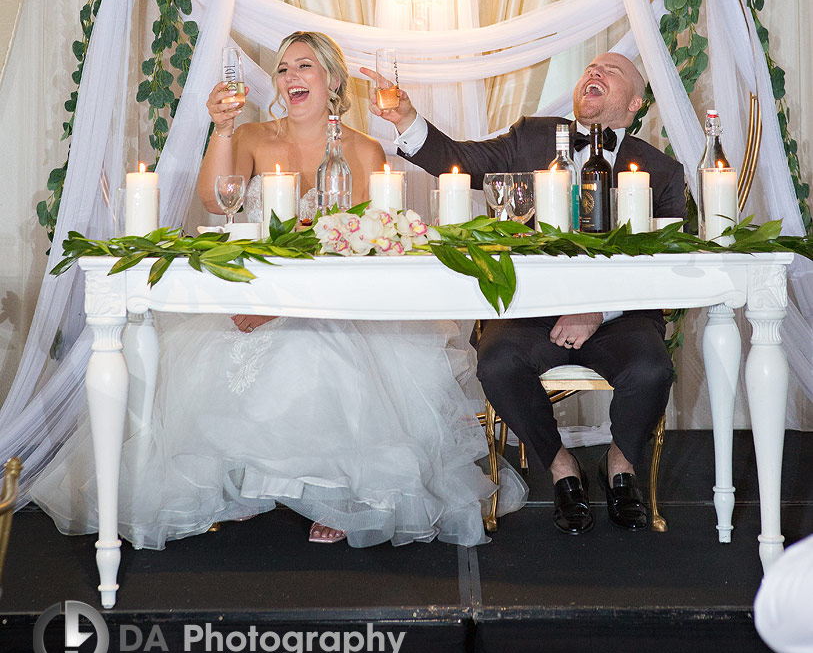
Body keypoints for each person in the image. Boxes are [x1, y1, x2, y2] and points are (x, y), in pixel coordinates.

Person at [31, 31, 526, 550]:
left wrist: (280, 311)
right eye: (283, 69)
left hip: (334, 305)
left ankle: (336, 493)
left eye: (304, 67)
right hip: (250, 294)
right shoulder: (250, 138)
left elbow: (360, 254)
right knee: (207, 361)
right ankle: (247, 483)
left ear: (333, 80)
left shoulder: (363, 149)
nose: (291, 77)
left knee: (315, 349)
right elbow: (216, 202)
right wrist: (221, 129)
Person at [363, 51, 684, 536]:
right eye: (589, 67)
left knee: (652, 368)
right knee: (496, 363)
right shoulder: (533, 137)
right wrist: (406, 118)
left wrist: (597, 310)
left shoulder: (662, 171)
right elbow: (461, 162)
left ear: (636, 103)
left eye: (612, 70)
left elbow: (668, 267)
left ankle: (619, 466)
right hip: (530, 309)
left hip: (620, 317)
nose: (594, 71)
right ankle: (560, 468)